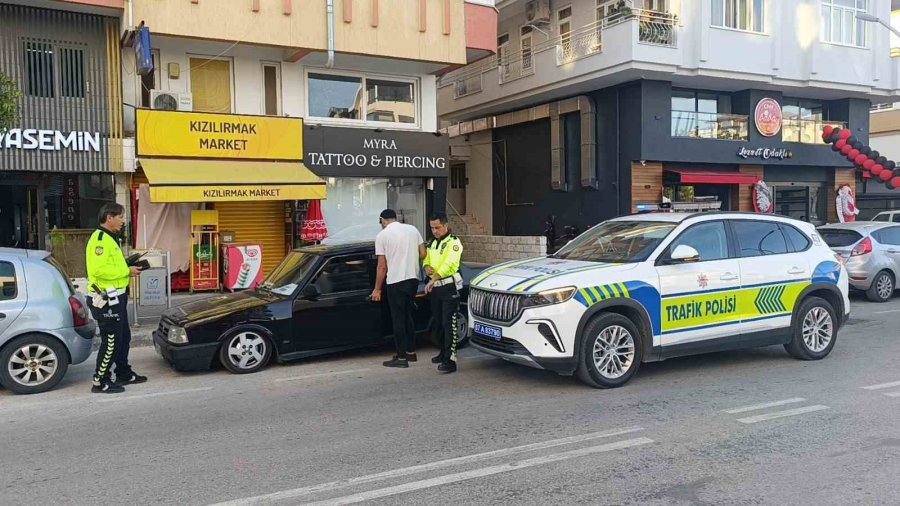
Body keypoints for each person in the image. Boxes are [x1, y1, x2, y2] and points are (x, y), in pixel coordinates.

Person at [85, 203, 147, 393]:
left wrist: (128, 265)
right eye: (120, 216)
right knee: (111, 340)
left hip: (117, 297)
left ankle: (123, 373)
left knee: (123, 338)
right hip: (104, 300)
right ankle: (100, 381)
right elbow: (98, 270)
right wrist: (126, 270)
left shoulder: (112, 239)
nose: (123, 221)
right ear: (109, 217)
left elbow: (112, 265)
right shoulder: (100, 240)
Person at [371, 209, 426, 368]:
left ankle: (401, 357)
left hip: (396, 281)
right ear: (396, 218)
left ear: (383, 220)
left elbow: (381, 267)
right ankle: (411, 352)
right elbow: (423, 254)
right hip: (413, 280)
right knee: (408, 315)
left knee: (398, 319)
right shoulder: (412, 229)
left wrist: (377, 289)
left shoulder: (382, 236)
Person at [423, 213, 464, 374]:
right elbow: (427, 259)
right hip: (435, 288)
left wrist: (434, 278)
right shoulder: (432, 243)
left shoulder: (453, 242)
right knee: (439, 322)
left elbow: (450, 264)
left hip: (448, 287)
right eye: (432, 227)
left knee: (449, 324)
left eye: (437, 227)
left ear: (446, 226)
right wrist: (426, 267)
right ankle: (443, 352)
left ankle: (450, 360)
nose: (434, 231)